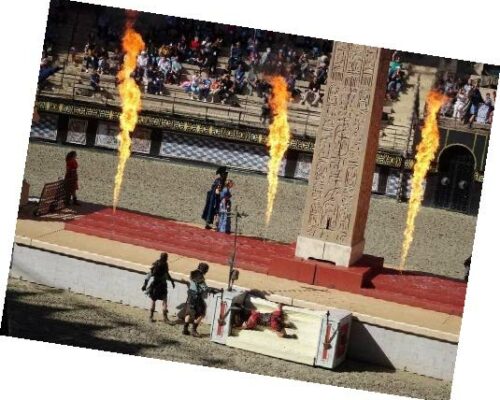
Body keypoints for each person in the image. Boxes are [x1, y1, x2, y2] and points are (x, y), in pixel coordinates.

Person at [142, 252, 176, 323]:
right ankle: (165, 318)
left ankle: (151, 317)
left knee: (153, 301)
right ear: (166, 258)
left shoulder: (156, 264)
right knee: (164, 301)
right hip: (162, 286)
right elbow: (167, 274)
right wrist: (172, 281)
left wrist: (145, 285)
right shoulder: (165, 265)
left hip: (154, 285)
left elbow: (149, 276)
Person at [182, 263, 213, 337]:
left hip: (190, 296)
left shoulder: (192, 274)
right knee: (201, 313)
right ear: (204, 270)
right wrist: (212, 290)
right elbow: (205, 288)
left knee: (189, 312)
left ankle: (185, 329)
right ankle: (194, 330)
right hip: (197, 298)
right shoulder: (200, 277)